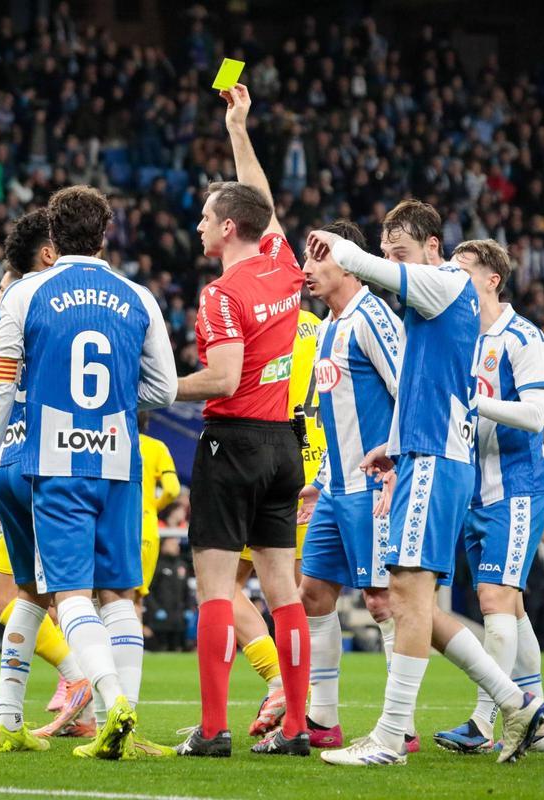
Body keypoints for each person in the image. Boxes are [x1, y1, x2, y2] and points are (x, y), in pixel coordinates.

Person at [307, 204, 544, 767]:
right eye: (388, 253)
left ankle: (391, 738)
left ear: (432, 249)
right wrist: (390, 445)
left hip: (438, 460)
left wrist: (341, 251)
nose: (393, 264)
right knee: (412, 598)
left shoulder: (443, 283)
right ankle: (516, 703)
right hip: (423, 455)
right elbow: (425, 386)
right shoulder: (430, 304)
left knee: (409, 597)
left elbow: (379, 273)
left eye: (402, 253)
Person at [0, 185, 177, 760]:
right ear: (106, 235)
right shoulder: (139, 297)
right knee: (119, 595)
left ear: (52, 236)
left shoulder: (25, 293)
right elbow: (166, 388)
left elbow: (0, 384)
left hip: (46, 456)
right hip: (119, 458)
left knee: (58, 590)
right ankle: (115, 717)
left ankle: (104, 706)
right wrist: (114, 406)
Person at [172, 83, 311, 758]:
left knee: (217, 592)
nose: (198, 226)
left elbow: (223, 378)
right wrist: (238, 127)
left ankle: (214, 729)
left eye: (205, 217)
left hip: (234, 443)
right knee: (283, 592)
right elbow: (264, 203)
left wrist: (160, 387)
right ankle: (294, 730)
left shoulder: (222, 293)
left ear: (228, 229)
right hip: (286, 446)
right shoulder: (283, 267)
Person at [0, 209, 95, 747]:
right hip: (53, 460)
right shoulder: (53, 302)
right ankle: (93, 686)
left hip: (13, 462)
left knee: (24, 593)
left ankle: (14, 720)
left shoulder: (10, 303)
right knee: (67, 594)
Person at [432, 239, 544, 755]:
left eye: (463, 272)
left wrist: (476, 401)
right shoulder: (460, 337)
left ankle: (486, 722)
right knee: (513, 607)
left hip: (518, 487)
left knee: (493, 600)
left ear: (491, 280)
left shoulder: (522, 335)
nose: (454, 281)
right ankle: (540, 723)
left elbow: (535, 415)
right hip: (475, 492)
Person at [294, 218, 406, 750]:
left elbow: (409, 389)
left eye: (317, 258)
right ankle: (323, 719)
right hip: (335, 490)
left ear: (349, 259)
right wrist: (318, 480)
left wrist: (400, 469)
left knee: (382, 602)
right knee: (313, 594)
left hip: (373, 489)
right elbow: (334, 419)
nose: (305, 269)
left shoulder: (373, 315)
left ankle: (399, 726)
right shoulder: (328, 327)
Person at [241, 304, 327, 739]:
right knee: (293, 599)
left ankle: (283, 684)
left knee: (220, 586)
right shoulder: (323, 326)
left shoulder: (264, 321)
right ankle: (303, 704)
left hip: (268, 464)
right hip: (316, 472)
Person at [137, 413, 179, 610]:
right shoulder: (156, 447)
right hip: (145, 527)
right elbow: (172, 489)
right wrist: (154, 505)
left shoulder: (110, 443)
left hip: (111, 527)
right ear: (146, 422)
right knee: (134, 600)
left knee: (99, 599)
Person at [144, 536, 189, 652]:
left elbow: (186, 591)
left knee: (178, 649)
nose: (176, 546)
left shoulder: (182, 566)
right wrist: (155, 609)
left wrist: (188, 608)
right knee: (160, 648)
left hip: (178, 618)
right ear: (163, 546)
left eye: (177, 544)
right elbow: (148, 590)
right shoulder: (157, 565)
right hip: (159, 620)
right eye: (172, 543)